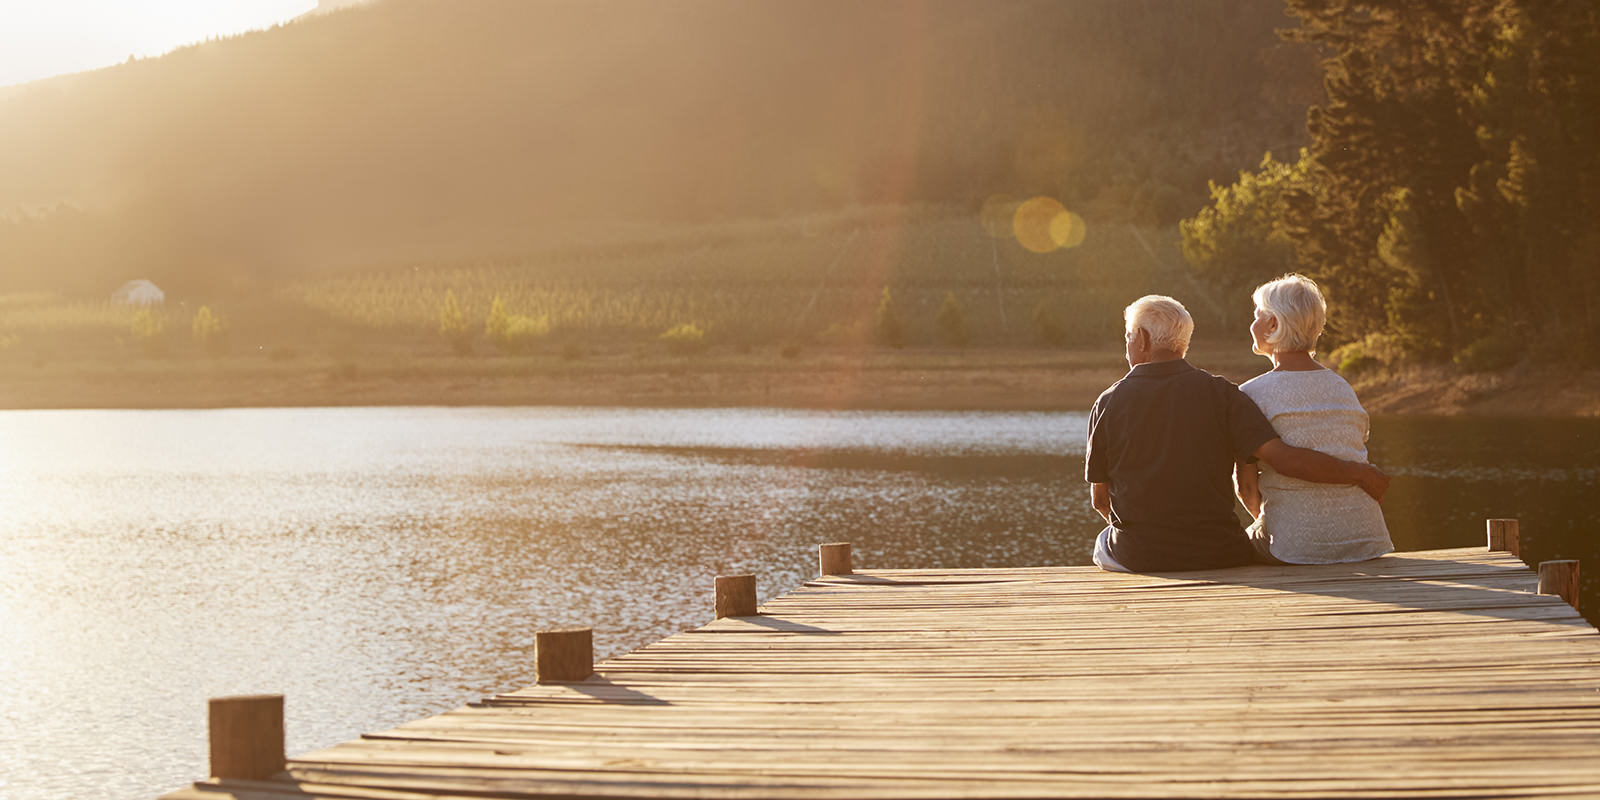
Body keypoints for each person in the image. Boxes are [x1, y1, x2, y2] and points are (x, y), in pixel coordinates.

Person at [1086, 294, 1388, 572]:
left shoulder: (1108, 402)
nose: (1127, 345)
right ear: (1183, 343)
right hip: (1220, 551)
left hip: (1141, 555)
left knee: (1102, 544)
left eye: (1128, 336)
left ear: (1141, 339)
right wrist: (1360, 473)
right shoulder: (1225, 395)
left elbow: (1100, 500)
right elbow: (1276, 460)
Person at [1234, 274, 1393, 564]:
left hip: (1294, 548)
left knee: (1238, 545)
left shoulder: (1250, 394)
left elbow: (1246, 489)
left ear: (1273, 324)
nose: (1252, 325)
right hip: (1366, 541)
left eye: (1257, 316)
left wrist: (1273, 524)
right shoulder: (1342, 387)